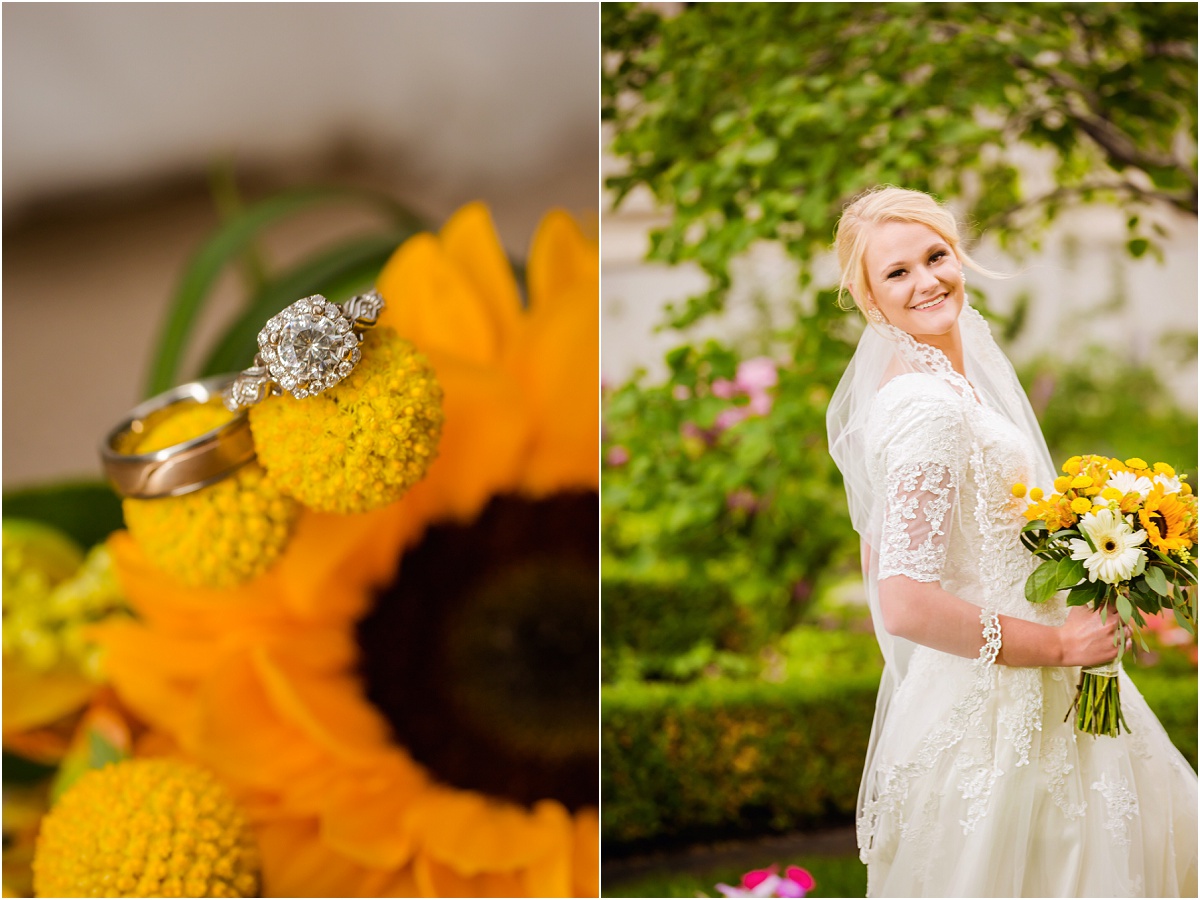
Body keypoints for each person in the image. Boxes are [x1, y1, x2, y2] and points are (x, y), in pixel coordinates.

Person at [825, 186, 1198, 897]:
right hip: (1001, 703)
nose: (927, 280)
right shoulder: (924, 410)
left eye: (936, 256)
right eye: (897, 273)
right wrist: (1057, 646)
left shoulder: (950, 385)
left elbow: (888, 544)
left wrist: (1098, 565)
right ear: (870, 299)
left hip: (1045, 677)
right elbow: (901, 600)